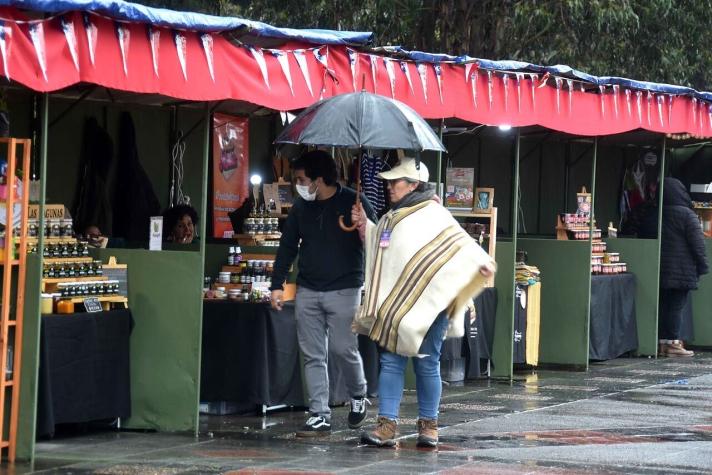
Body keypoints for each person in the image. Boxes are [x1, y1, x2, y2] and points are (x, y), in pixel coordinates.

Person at [351, 157, 495, 448]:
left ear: (413, 184)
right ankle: (387, 426)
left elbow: (459, 245)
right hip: (398, 303)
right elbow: (383, 249)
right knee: (391, 362)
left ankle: (429, 426)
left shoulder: (434, 212)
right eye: (389, 182)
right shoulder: (392, 217)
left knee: (426, 363)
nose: (389, 187)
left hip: (431, 305)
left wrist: (479, 263)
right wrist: (365, 225)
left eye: (395, 182)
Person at [269, 150, 377, 437]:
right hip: (308, 289)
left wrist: (364, 222)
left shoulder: (354, 201)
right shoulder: (301, 208)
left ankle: (358, 394)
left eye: (301, 179)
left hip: (345, 288)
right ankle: (319, 414)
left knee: (343, 348)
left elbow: (380, 240)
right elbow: (288, 245)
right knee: (312, 354)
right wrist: (277, 284)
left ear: (318, 179)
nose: (297, 185)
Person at [657, 177, 708, 357]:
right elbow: (698, 244)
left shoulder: (653, 212)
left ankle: (661, 342)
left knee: (662, 306)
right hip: (682, 270)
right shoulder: (687, 215)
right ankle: (673, 344)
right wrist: (703, 266)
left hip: (658, 269)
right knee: (676, 307)